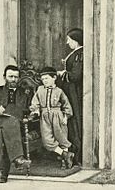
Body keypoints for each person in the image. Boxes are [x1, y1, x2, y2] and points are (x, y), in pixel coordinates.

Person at [0, 65, 31, 183]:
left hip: (16, 125)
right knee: (8, 123)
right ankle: (18, 158)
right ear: (4, 77)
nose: (13, 79)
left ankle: (3, 173)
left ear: (19, 78)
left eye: (16, 77)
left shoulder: (26, 93)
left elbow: (29, 109)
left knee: (2, 134)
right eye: (10, 76)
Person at [30, 66, 74, 169]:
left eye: (47, 78)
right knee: (47, 141)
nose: (44, 81)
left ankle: (65, 162)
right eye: (43, 79)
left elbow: (66, 105)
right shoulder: (39, 90)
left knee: (62, 138)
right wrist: (35, 110)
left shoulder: (59, 91)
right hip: (45, 117)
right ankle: (66, 155)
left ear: (54, 78)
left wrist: (66, 117)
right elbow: (35, 103)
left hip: (58, 116)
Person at [57, 28, 83, 165]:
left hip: (73, 92)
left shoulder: (79, 54)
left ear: (76, 40)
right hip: (69, 90)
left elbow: (75, 76)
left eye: (69, 40)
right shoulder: (75, 53)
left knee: (74, 121)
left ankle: (77, 155)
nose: (67, 43)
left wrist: (63, 74)